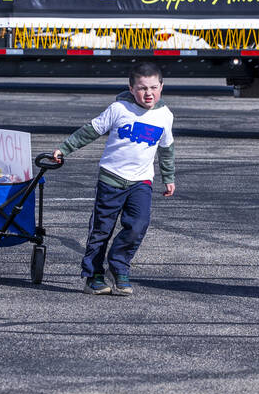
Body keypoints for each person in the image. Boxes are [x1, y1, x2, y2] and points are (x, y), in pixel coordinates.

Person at [52, 62, 176, 296]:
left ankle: (118, 266)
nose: (148, 93)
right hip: (112, 178)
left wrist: (168, 177)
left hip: (141, 182)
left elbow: (166, 149)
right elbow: (90, 130)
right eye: (141, 88)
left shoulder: (165, 116)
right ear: (131, 88)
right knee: (101, 229)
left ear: (161, 86)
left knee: (138, 226)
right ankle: (93, 275)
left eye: (153, 87)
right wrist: (64, 149)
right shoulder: (118, 109)